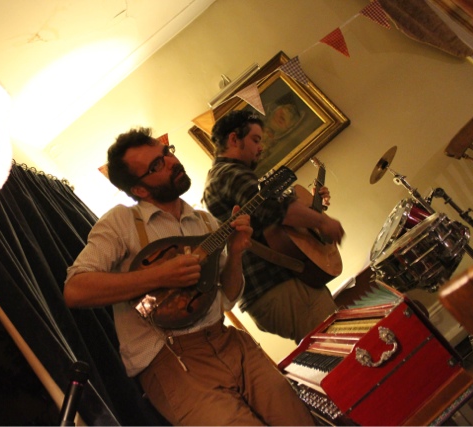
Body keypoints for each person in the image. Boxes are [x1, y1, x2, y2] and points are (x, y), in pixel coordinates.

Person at [64, 127, 314, 426]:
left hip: (230, 342)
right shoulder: (121, 222)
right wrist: (159, 275)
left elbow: (227, 298)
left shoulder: (205, 221)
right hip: (172, 361)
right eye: (157, 165)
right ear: (140, 190)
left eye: (166, 153)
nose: (172, 162)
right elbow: (75, 290)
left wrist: (235, 253)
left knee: (298, 420)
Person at [202, 110, 345, 344]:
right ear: (234, 139)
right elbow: (274, 210)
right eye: (255, 140)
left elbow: (272, 219)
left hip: (279, 286)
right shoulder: (229, 174)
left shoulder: (224, 176)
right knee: (338, 346)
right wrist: (321, 221)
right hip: (276, 286)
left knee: (335, 345)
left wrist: (311, 207)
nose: (260, 148)